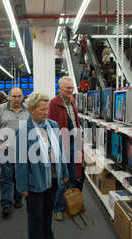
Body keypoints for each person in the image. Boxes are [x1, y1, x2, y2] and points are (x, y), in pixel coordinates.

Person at [15, 92, 69, 239]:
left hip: (53, 176)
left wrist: (65, 173)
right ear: (31, 110)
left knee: (47, 210)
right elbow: (21, 161)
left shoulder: (53, 125)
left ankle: (48, 237)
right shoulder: (23, 131)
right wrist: (22, 185)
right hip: (35, 179)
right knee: (35, 215)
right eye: (42, 109)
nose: (46, 112)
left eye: (47, 109)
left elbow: (61, 152)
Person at [0, 87, 30, 216]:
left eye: (19, 96)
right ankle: (6, 203)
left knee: (20, 175)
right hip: (6, 150)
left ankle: (18, 198)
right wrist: (0, 144)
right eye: (14, 96)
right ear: (9, 97)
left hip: (22, 150)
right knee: (6, 176)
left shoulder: (28, 110)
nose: (17, 99)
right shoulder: (0, 110)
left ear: (23, 97)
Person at [48, 76, 83, 221]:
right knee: (64, 177)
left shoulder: (72, 101)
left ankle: (69, 204)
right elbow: (50, 126)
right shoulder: (53, 103)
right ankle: (58, 208)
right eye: (68, 88)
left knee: (74, 176)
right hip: (62, 144)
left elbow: (75, 122)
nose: (70, 90)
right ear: (60, 88)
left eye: (72, 88)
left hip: (74, 142)